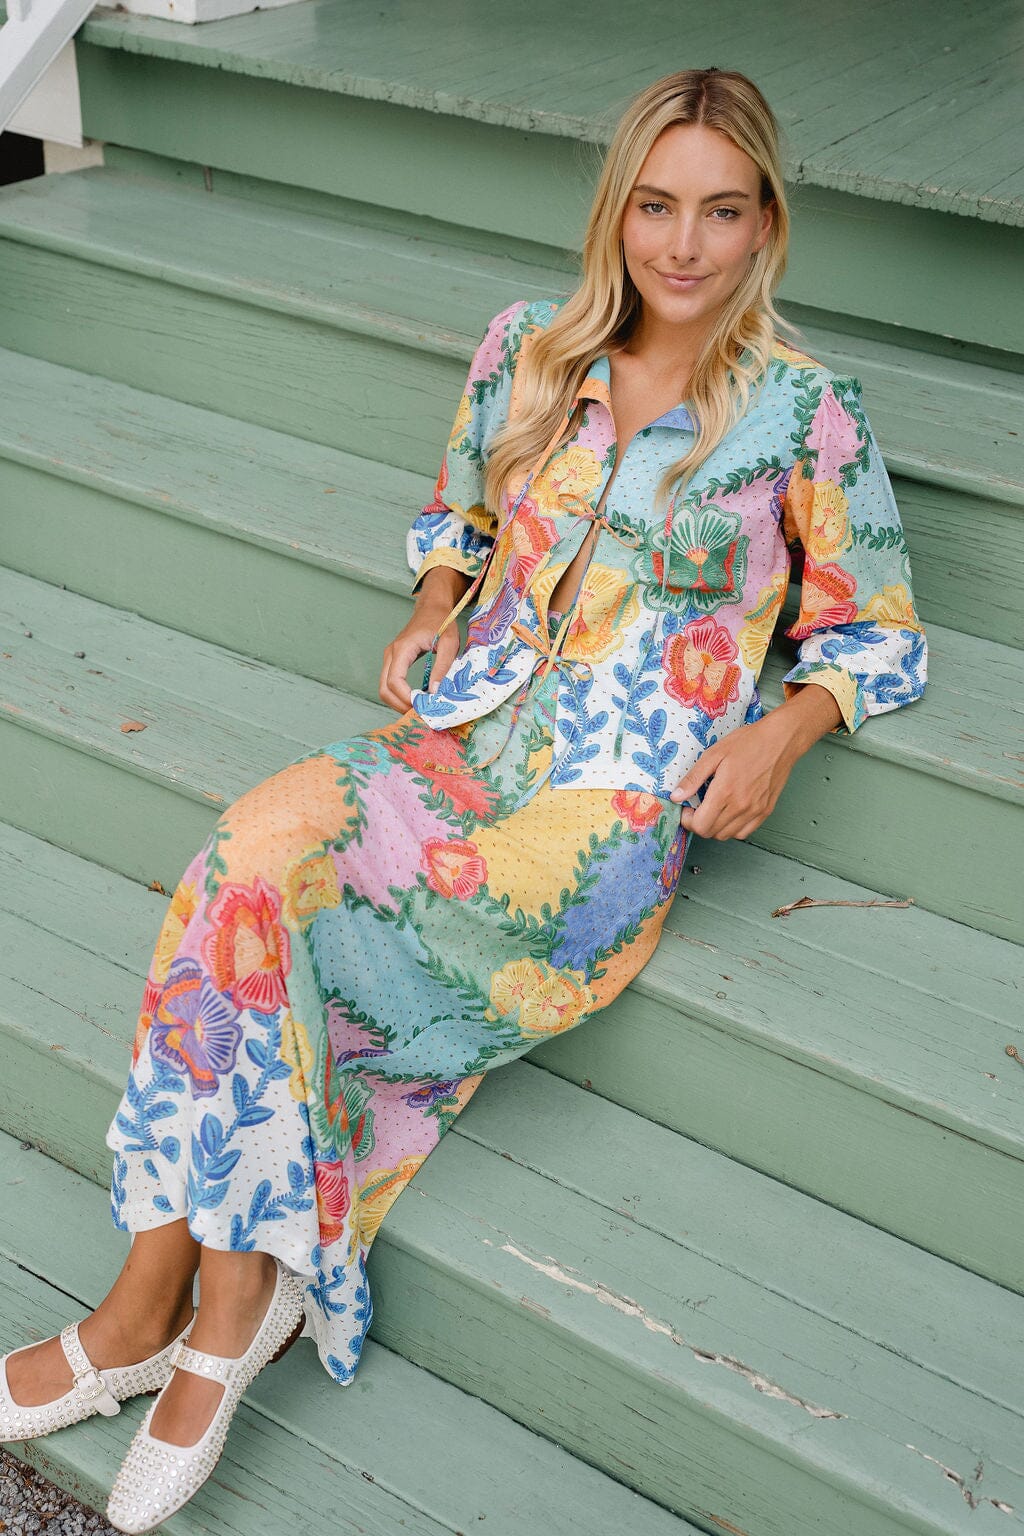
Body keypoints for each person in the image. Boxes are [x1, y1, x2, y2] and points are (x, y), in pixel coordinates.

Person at [0, 65, 926, 1534]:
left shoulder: (807, 417)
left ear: (766, 226)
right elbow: (464, 513)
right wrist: (438, 600)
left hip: (600, 813)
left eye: (721, 212)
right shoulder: (530, 352)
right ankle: (186, 1302)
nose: (684, 245)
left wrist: (784, 729)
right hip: (458, 739)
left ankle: (180, 1320)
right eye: (655, 207)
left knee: (291, 937)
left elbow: (876, 629)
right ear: (616, 212)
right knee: (247, 856)